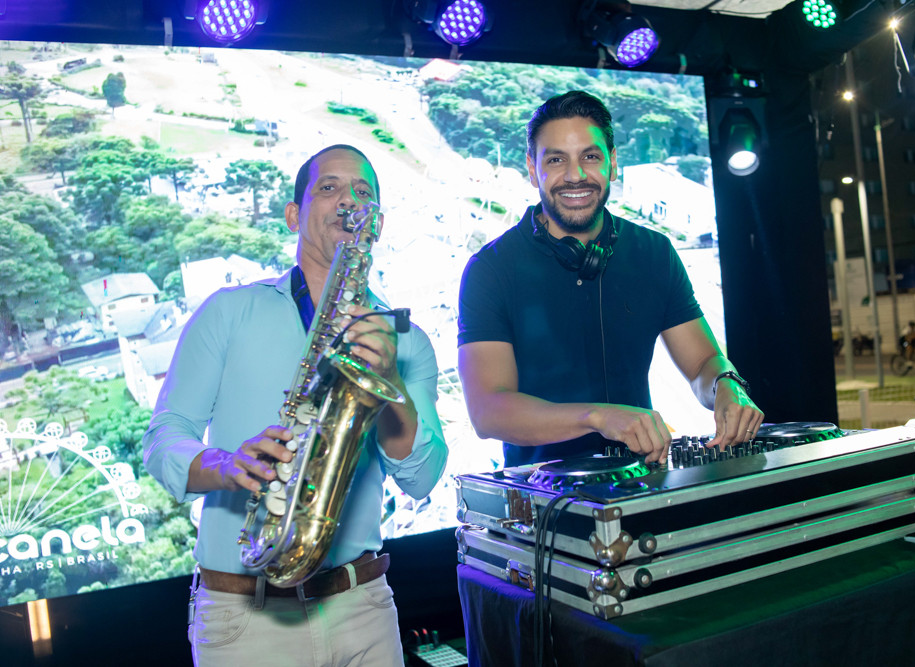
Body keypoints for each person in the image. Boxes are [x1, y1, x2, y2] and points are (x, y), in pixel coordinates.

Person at [143, 145, 448, 666]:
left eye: (362, 192)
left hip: (363, 606)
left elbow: (421, 479)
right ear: (293, 215)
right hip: (245, 616)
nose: (348, 201)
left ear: (376, 223)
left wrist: (389, 380)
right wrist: (225, 465)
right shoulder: (228, 311)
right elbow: (163, 436)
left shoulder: (406, 341)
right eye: (329, 188)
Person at [456, 90, 763, 468]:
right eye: (556, 159)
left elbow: (703, 363)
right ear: (533, 169)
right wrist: (597, 417)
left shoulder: (653, 253)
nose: (575, 175)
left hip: (642, 484)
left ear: (612, 163)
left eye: (590, 156)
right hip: (540, 494)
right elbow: (488, 411)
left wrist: (726, 385)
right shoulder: (490, 269)